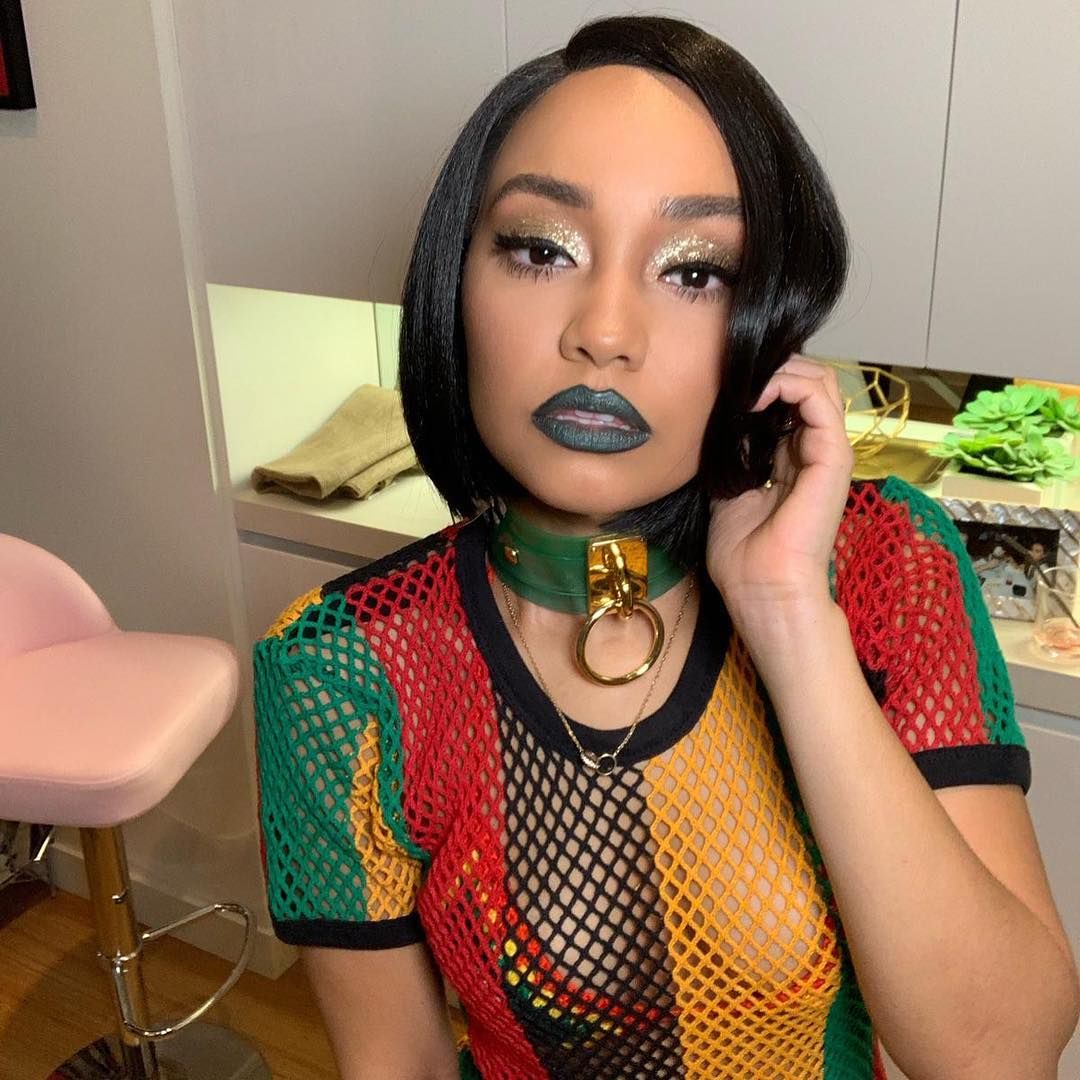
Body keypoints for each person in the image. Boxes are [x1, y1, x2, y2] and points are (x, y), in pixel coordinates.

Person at [252, 15, 1079, 1079]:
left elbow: (1000, 1055)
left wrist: (789, 617)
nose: (605, 332)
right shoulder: (346, 663)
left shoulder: (882, 566)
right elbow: (396, 1065)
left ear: (765, 319)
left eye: (694, 272)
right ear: (456, 281)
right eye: (541, 249)